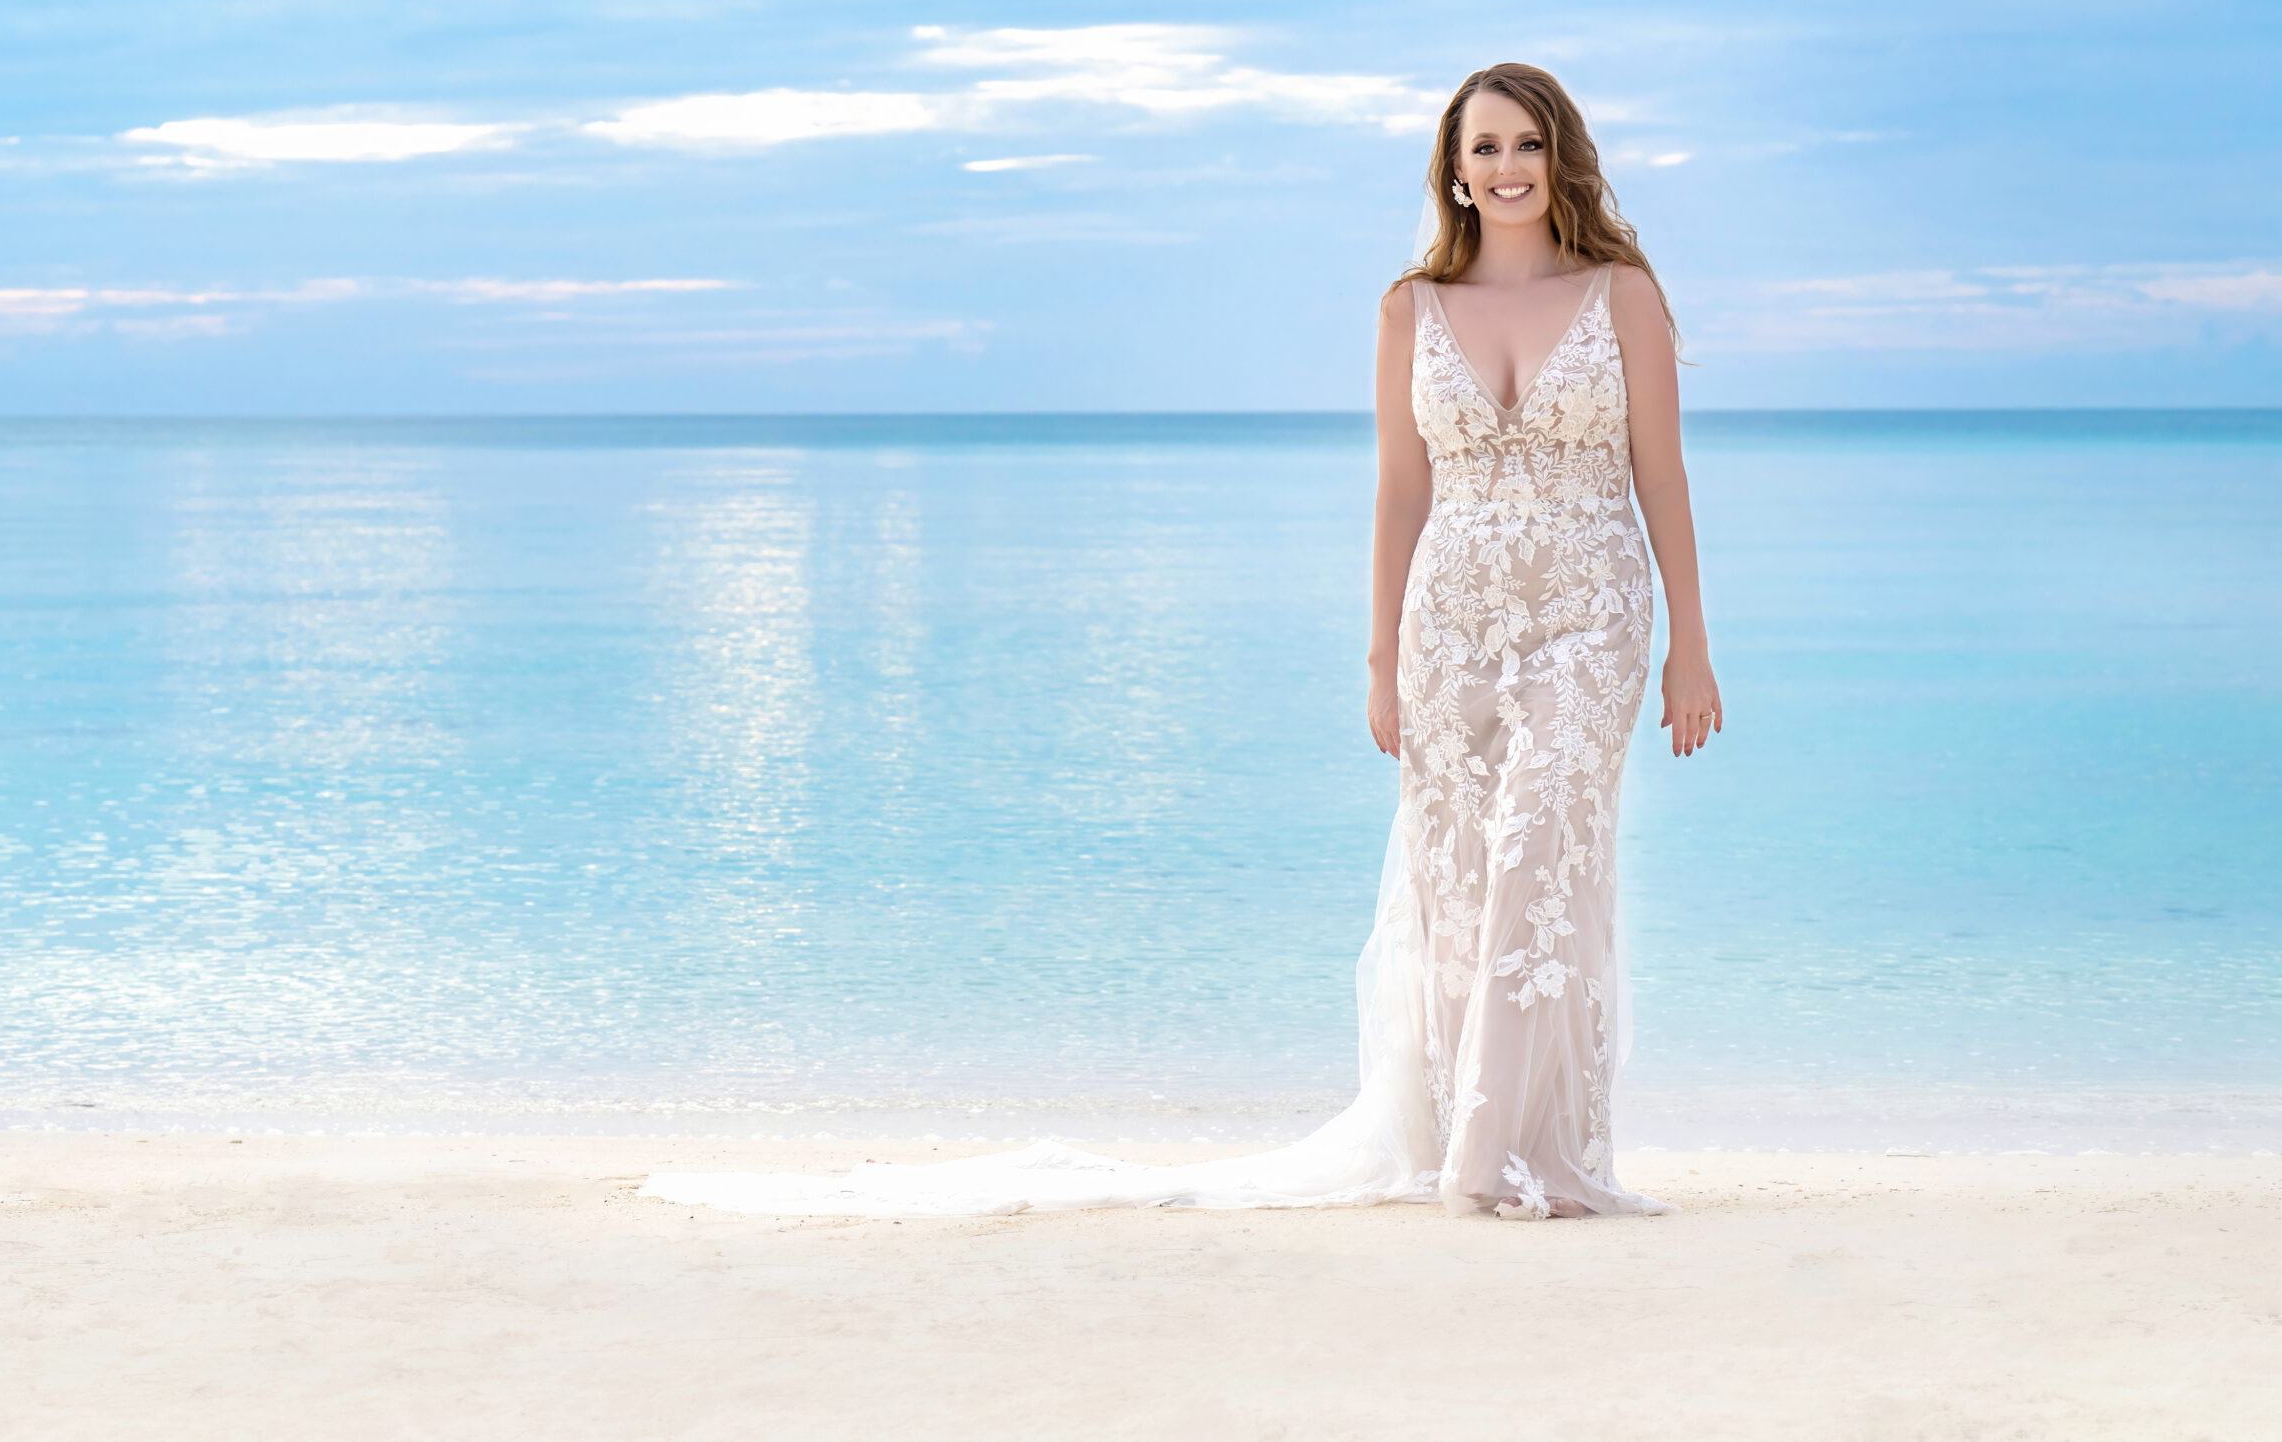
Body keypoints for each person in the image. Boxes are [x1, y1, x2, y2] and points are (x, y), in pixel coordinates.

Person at [645, 63, 1719, 1220]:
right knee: (1457, 881)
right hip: (1447, 623)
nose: (1506, 167)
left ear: (1560, 154)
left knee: (1540, 858)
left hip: (1587, 615)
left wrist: (1689, 645)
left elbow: (1659, 473)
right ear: (1452, 172)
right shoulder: (1409, 309)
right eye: (1484, 147)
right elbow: (1399, 494)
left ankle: (1509, 1156)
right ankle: (1476, 1132)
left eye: (1525, 143)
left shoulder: (1623, 297)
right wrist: (1376, 657)